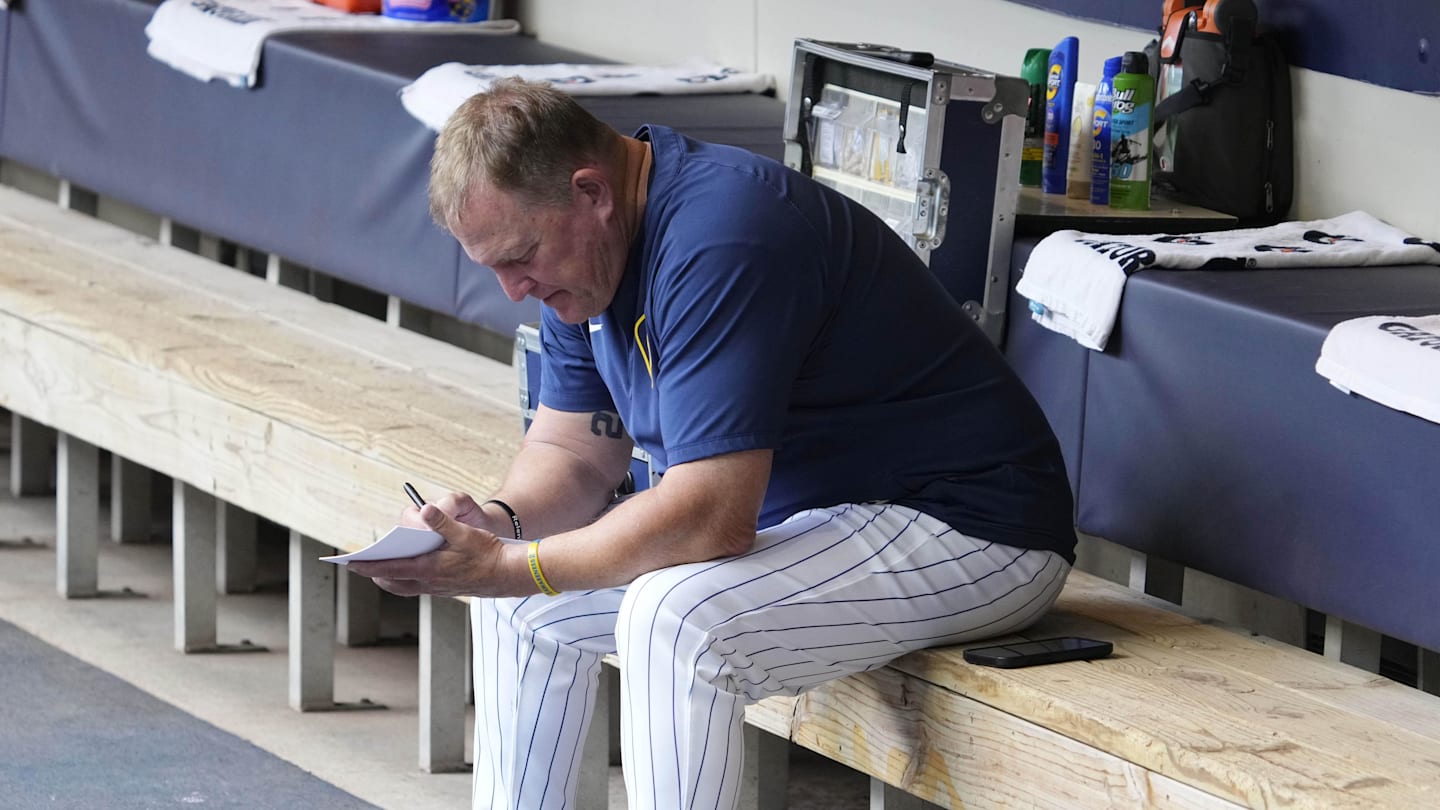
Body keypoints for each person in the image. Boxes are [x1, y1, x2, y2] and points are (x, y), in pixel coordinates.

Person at [349, 77, 1077, 810]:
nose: (513, 289)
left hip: (969, 526)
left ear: (590, 192)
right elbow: (573, 456)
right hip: (812, 521)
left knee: (673, 617)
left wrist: (516, 563)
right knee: (517, 604)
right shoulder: (582, 257)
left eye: (520, 257)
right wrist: (495, 531)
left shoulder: (723, 232)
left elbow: (710, 518)